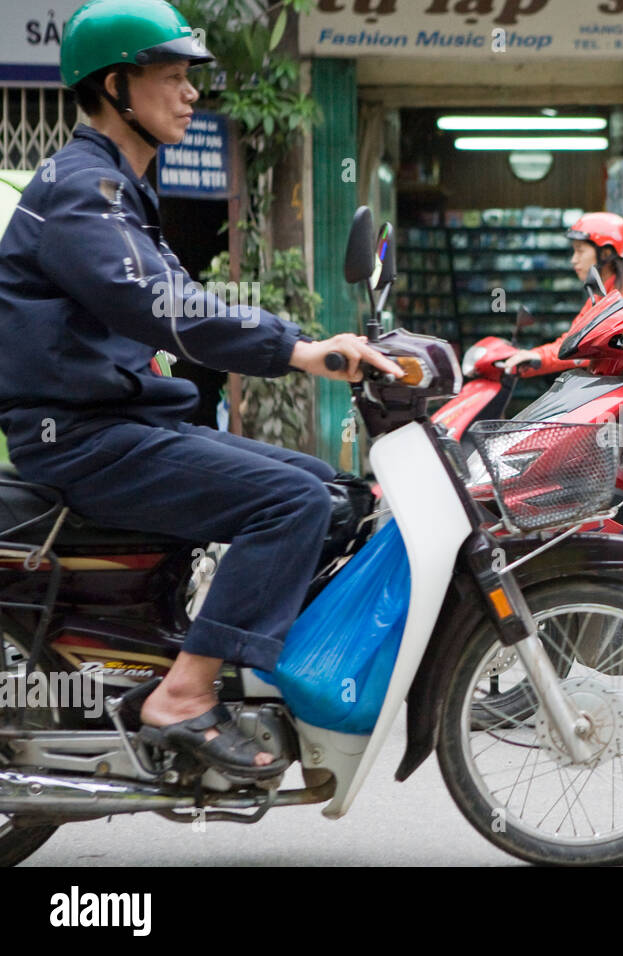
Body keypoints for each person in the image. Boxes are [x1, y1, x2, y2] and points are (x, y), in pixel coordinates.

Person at [0, 0, 401, 778]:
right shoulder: (82, 191)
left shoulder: (120, 190)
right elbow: (163, 305)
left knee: (335, 491)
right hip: (84, 438)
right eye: (174, 77)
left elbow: (187, 304)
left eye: (191, 79)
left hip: (123, 425)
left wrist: (309, 343)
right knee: (292, 503)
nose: (191, 94)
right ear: (118, 86)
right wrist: (300, 350)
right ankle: (183, 695)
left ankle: (244, 664)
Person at [502, 211, 623, 412]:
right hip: (605, 393)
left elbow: (586, 348)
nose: (573, 260)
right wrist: (533, 356)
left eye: (580, 251)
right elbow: (571, 341)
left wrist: (540, 358)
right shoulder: (602, 294)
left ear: (606, 253)